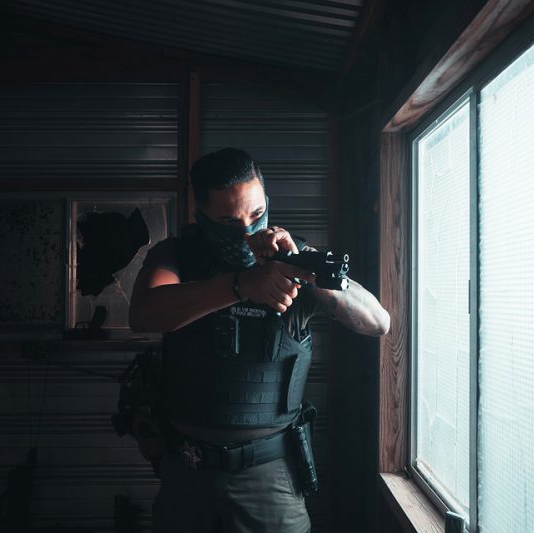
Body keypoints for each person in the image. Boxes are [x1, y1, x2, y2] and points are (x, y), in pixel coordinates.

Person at [128, 147, 390, 533]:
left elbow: (377, 322)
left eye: (256, 214)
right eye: (229, 221)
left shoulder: (294, 257)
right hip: (188, 467)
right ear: (201, 216)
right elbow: (145, 313)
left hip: (269, 473)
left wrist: (305, 265)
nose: (248, 230)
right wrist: (240, 286)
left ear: (267, 201)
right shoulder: (177, 254)